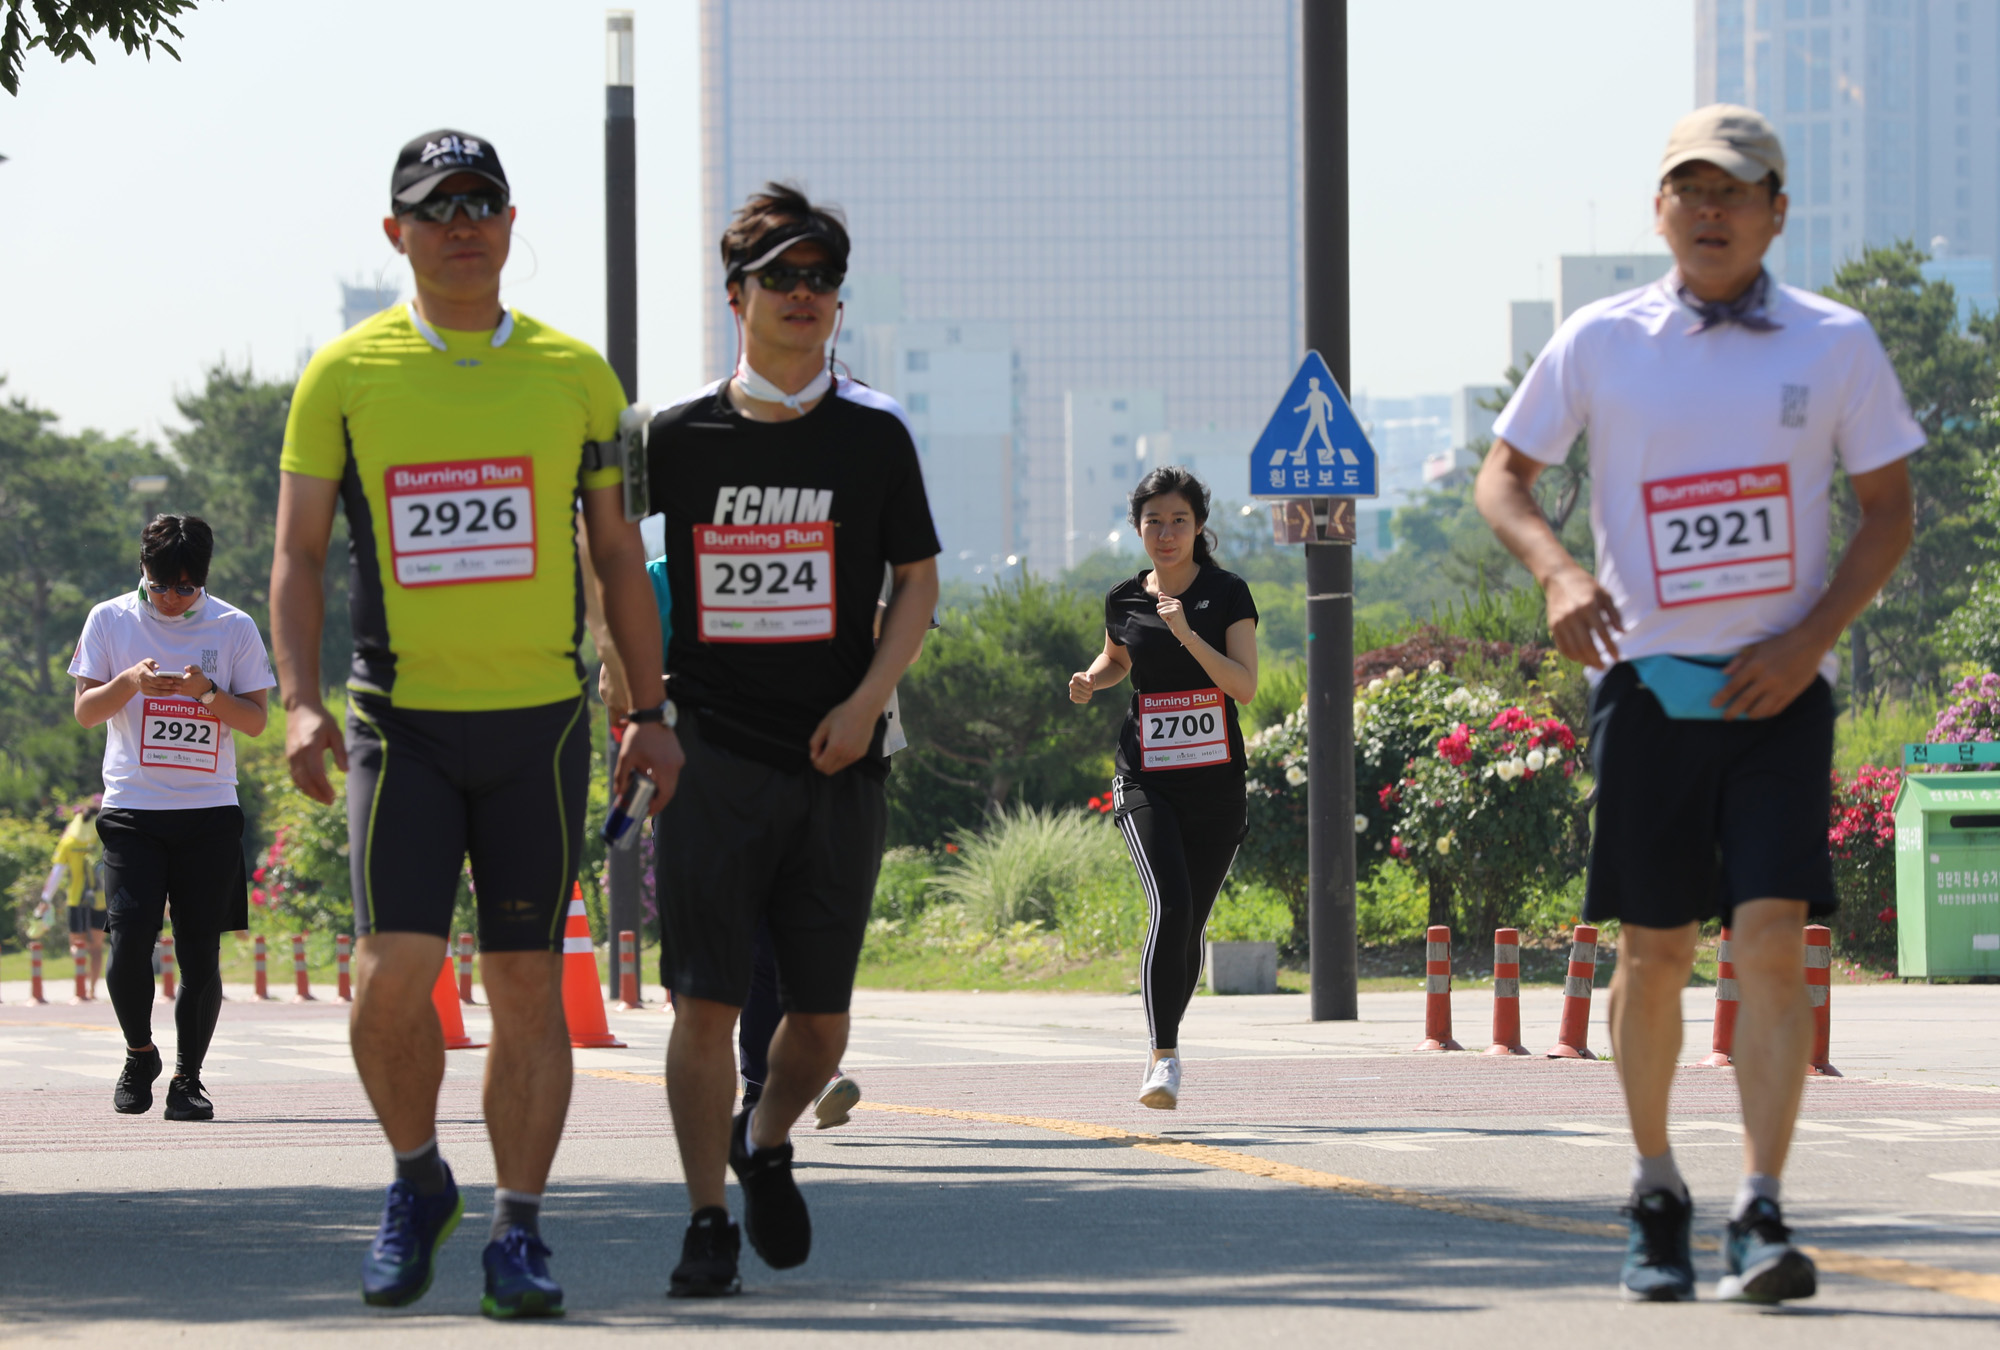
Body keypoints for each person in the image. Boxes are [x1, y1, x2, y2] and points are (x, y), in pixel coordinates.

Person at [1475, 105, 1921, 1304]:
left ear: (1776, 211)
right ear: (1658, 210)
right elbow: (1502, 475)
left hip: (1780, 691)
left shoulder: (1833, 345)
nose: (1709, 210)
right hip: (1648, 689)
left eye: (1734, 190)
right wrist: (1559, 573)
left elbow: (1887, 510)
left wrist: (1809, 640)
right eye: (1688, 189)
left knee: (1771, 945)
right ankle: (1656, 1188)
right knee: (1654, 947)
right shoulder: (1600, 339)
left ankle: (1761, 1210)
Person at [270, 128, 681, 1319]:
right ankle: (415, 1180)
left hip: (540, 728)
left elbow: (613, 551)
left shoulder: (574, 375)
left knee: (523, 983)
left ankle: (518, 1231)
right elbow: (297, 554)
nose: (462, 225)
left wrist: (645, 711)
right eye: (435, 208)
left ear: (510, 225)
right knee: (388, 974)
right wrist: (297, 703)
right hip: (399, 724)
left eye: (482, 204)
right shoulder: (345, 374)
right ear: (395, 233)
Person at [643, 182, 939, 1297]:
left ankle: (764, 1138)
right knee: (704, 1004)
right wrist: (640, 709)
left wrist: (867, 702)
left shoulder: (876, 432)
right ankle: (705, 1221)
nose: (805, 296)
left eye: (822, 280)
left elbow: (916, 580)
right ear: (737, 295)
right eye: (783, 278)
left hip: (837, 758)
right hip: (712, 754)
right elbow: (613, 569)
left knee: (817, 1024)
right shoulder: (666, 435)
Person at [67, 514, 273, 1122]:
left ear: (202, 580)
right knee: (129, 944)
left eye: (187, 588)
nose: (173, 600)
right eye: (162, 587)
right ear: (143, 571)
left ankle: (188, 1078)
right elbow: (84, 711)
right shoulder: (110, 620)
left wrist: (206, 693)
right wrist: (130, 682)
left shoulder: (233, 626)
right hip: (133, 809)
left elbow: (256, 719)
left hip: (209, 812)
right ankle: (140, 1053)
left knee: (198, 956)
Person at [1069, 467, 1258, 1110]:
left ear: (1199, 526)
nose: (1167, 533)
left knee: (1191, 925)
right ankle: (1163, 1058)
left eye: (1179, 520)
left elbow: (1243, 685)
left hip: (1217, 785)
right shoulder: (1124, 597)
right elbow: (1119, 656)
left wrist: (1185, 633)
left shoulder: (1228, 593)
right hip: (1146, 778)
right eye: (1154, 521)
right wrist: (1094, 678)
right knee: (1170, 905)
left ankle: (1165, 1043)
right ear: (1138, 528)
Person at [40, 799, 108, 997]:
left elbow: (57, 873)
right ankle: (92, 989)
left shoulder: (69, 842)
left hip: (76, 899)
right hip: (100, 899)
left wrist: (45, 899)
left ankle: (80, 986)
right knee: (96, 947)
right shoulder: (101, 839)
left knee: (76, 945)